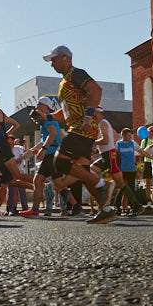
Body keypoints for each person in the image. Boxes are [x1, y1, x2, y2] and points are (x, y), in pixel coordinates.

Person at [42, 45, 117, 224]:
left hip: (82, 128)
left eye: (54, 59)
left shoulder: (76, 73)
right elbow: (66, 110)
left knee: (60, 161)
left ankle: (102, 185)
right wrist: (47, 117)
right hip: (77, 127)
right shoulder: (64, 82)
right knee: (83, 172)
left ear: (65, 58)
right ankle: (106, 210)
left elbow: (96, 90)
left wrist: (88, 116)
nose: (52, 64)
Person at [22, 97, 62, 218]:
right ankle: (76, 207)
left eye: (39, 104)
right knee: (58, 184)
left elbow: (53, 134)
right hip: (53, 153)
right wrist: (40, 150)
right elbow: (57, 136)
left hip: (50, 153)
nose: (37, 107)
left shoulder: (47, 118)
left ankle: (35, 209)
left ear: (45, 106)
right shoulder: (49, 118)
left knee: (37, 181)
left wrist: (43, 150)